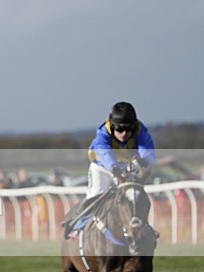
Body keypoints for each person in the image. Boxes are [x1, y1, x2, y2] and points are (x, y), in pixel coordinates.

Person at [63, 101, 156, 238]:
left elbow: (147, 150)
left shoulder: (140, 130)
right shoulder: (103, 133)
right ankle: (77, 224)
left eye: (128, 130)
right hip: (102, 167)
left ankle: (145, 228)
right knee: (97, 194)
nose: (124, 134)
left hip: (126, 166)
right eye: (120, 130)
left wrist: (144, 161)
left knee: (135, 196)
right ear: (112, 127)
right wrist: (115, 170)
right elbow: (105, 153)